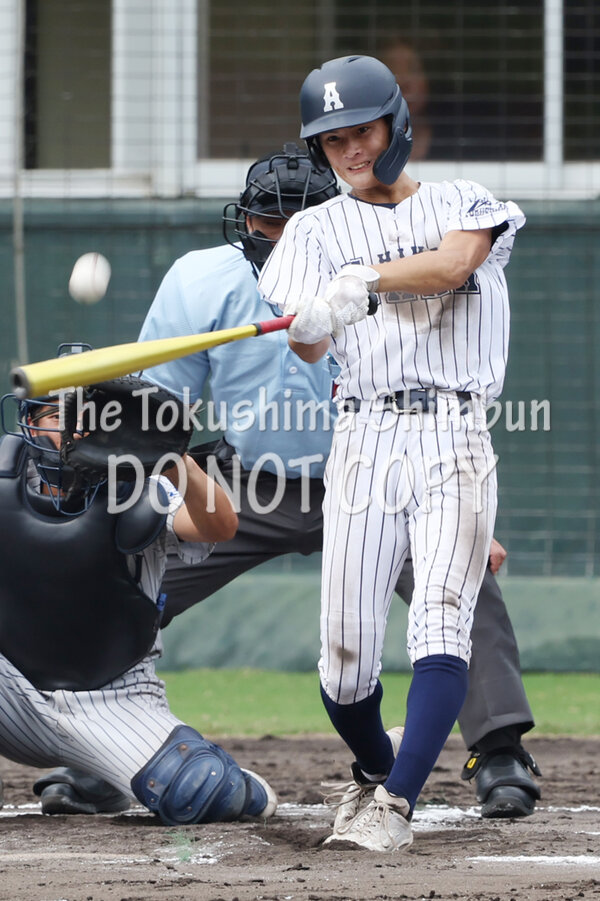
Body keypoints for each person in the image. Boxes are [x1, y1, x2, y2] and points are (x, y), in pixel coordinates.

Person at [36, 144, 540, 823]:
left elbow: (431, 391)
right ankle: (102, 750)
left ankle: (499, 749)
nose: (279, 236)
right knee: (128, 577)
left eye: (295, 222)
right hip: (250, 482)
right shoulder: (200, 279)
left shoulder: (380, 271)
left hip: (380, 472)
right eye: (266, 222)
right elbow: (161, 410)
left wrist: (460, 513)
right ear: (243, 221)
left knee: (462, 587)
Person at [257, 55, 533, 851]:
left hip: (454, 431)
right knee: (344, 663)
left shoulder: (462, 199)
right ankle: (378, 770)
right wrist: (315, 320)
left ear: (397, 125)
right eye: (333, 140)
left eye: (364, 131)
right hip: (365, 435)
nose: (351, 150)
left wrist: (366, 281)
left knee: (441, 621)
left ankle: (396, 804)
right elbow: (308, 345)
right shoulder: (312, 230)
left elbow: (453, 264)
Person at [0, 386, 277, 826]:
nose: (75, 429)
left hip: (116, 700)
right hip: (12, 694)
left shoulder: (142, 486)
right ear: (30, 424)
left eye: (88, 417)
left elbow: (219, 527)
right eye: (58, 416)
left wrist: (176, 461)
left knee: (202, 791)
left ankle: (218, 783)